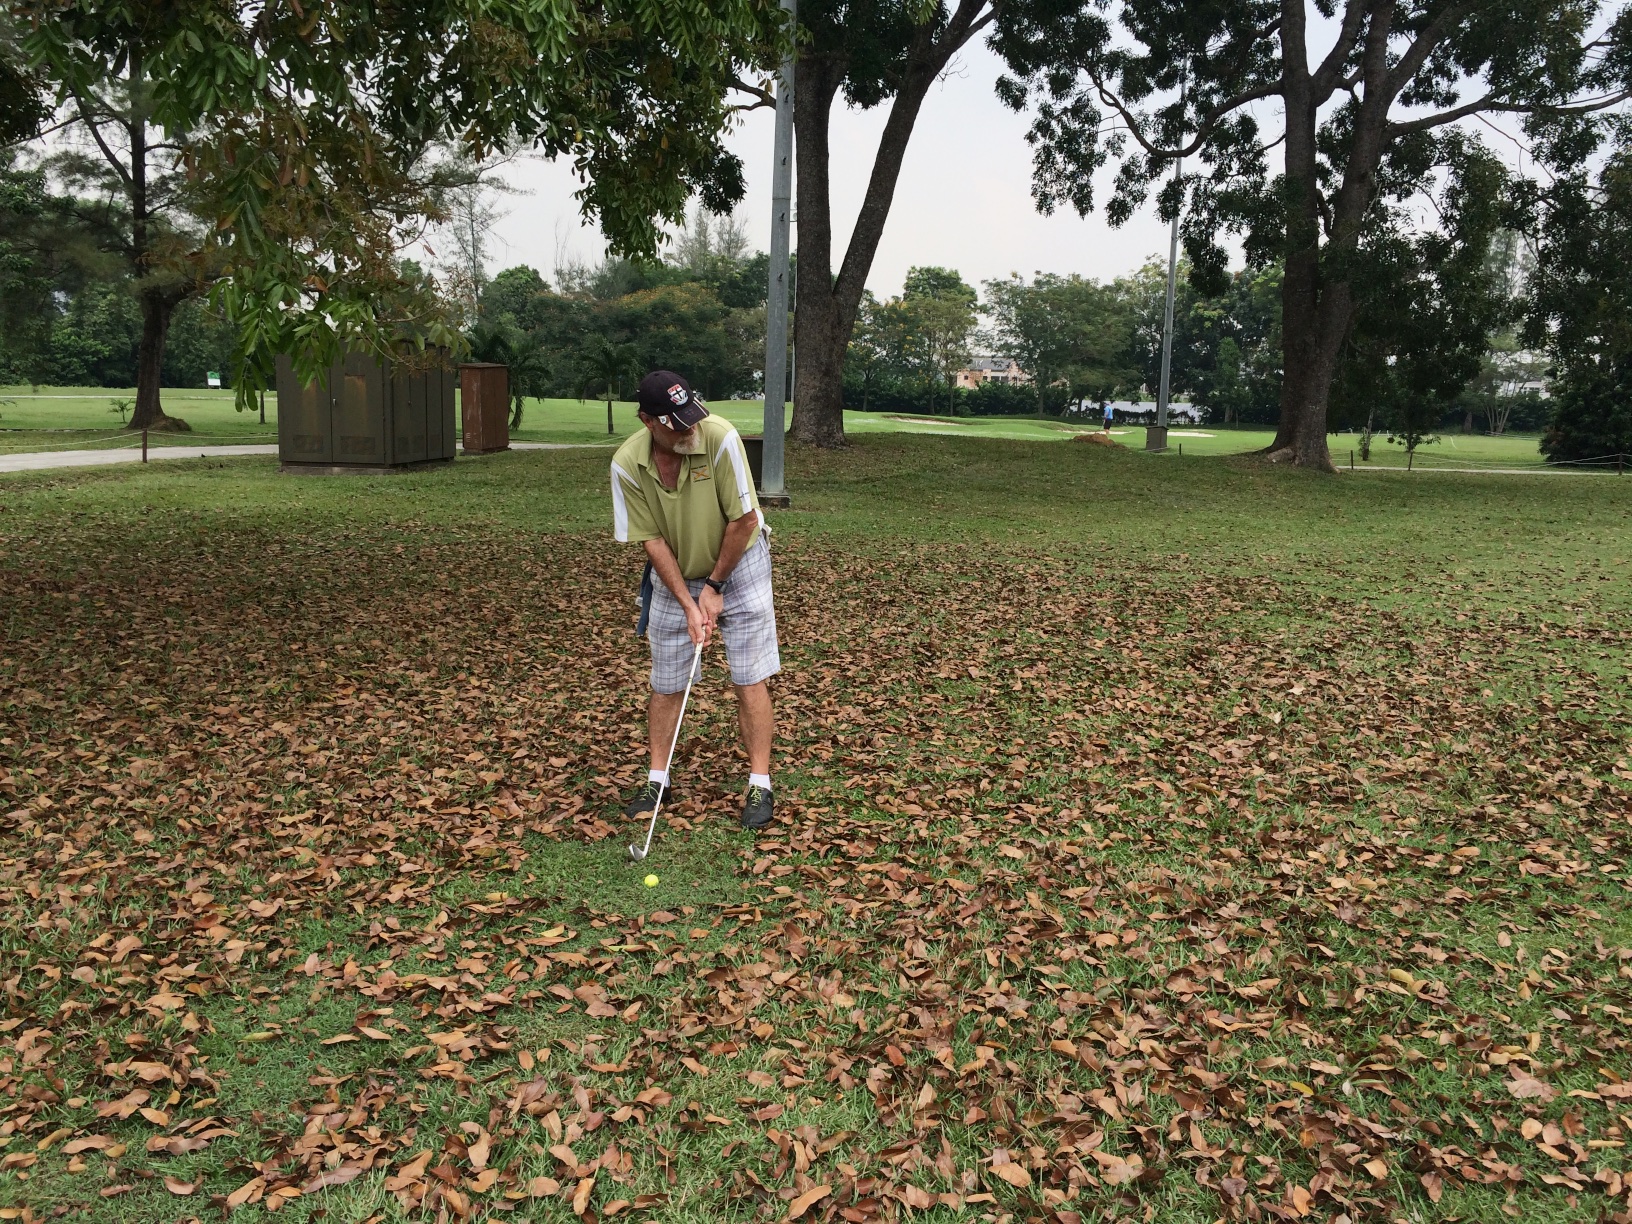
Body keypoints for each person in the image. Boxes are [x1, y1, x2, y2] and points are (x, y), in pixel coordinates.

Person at [610, 370, 779, 830]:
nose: (689, 428)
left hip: (740, 564)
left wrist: (715, 588)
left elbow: (744, 521)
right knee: (667, 682)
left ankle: (759, 783)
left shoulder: (720, 438)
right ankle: (657, 779)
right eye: (675, 422)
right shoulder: (626, 465)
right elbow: (651, 540)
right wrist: (689, 602)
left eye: (691, 416)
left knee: (748, 676)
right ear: (648, 421)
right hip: (676, 575)